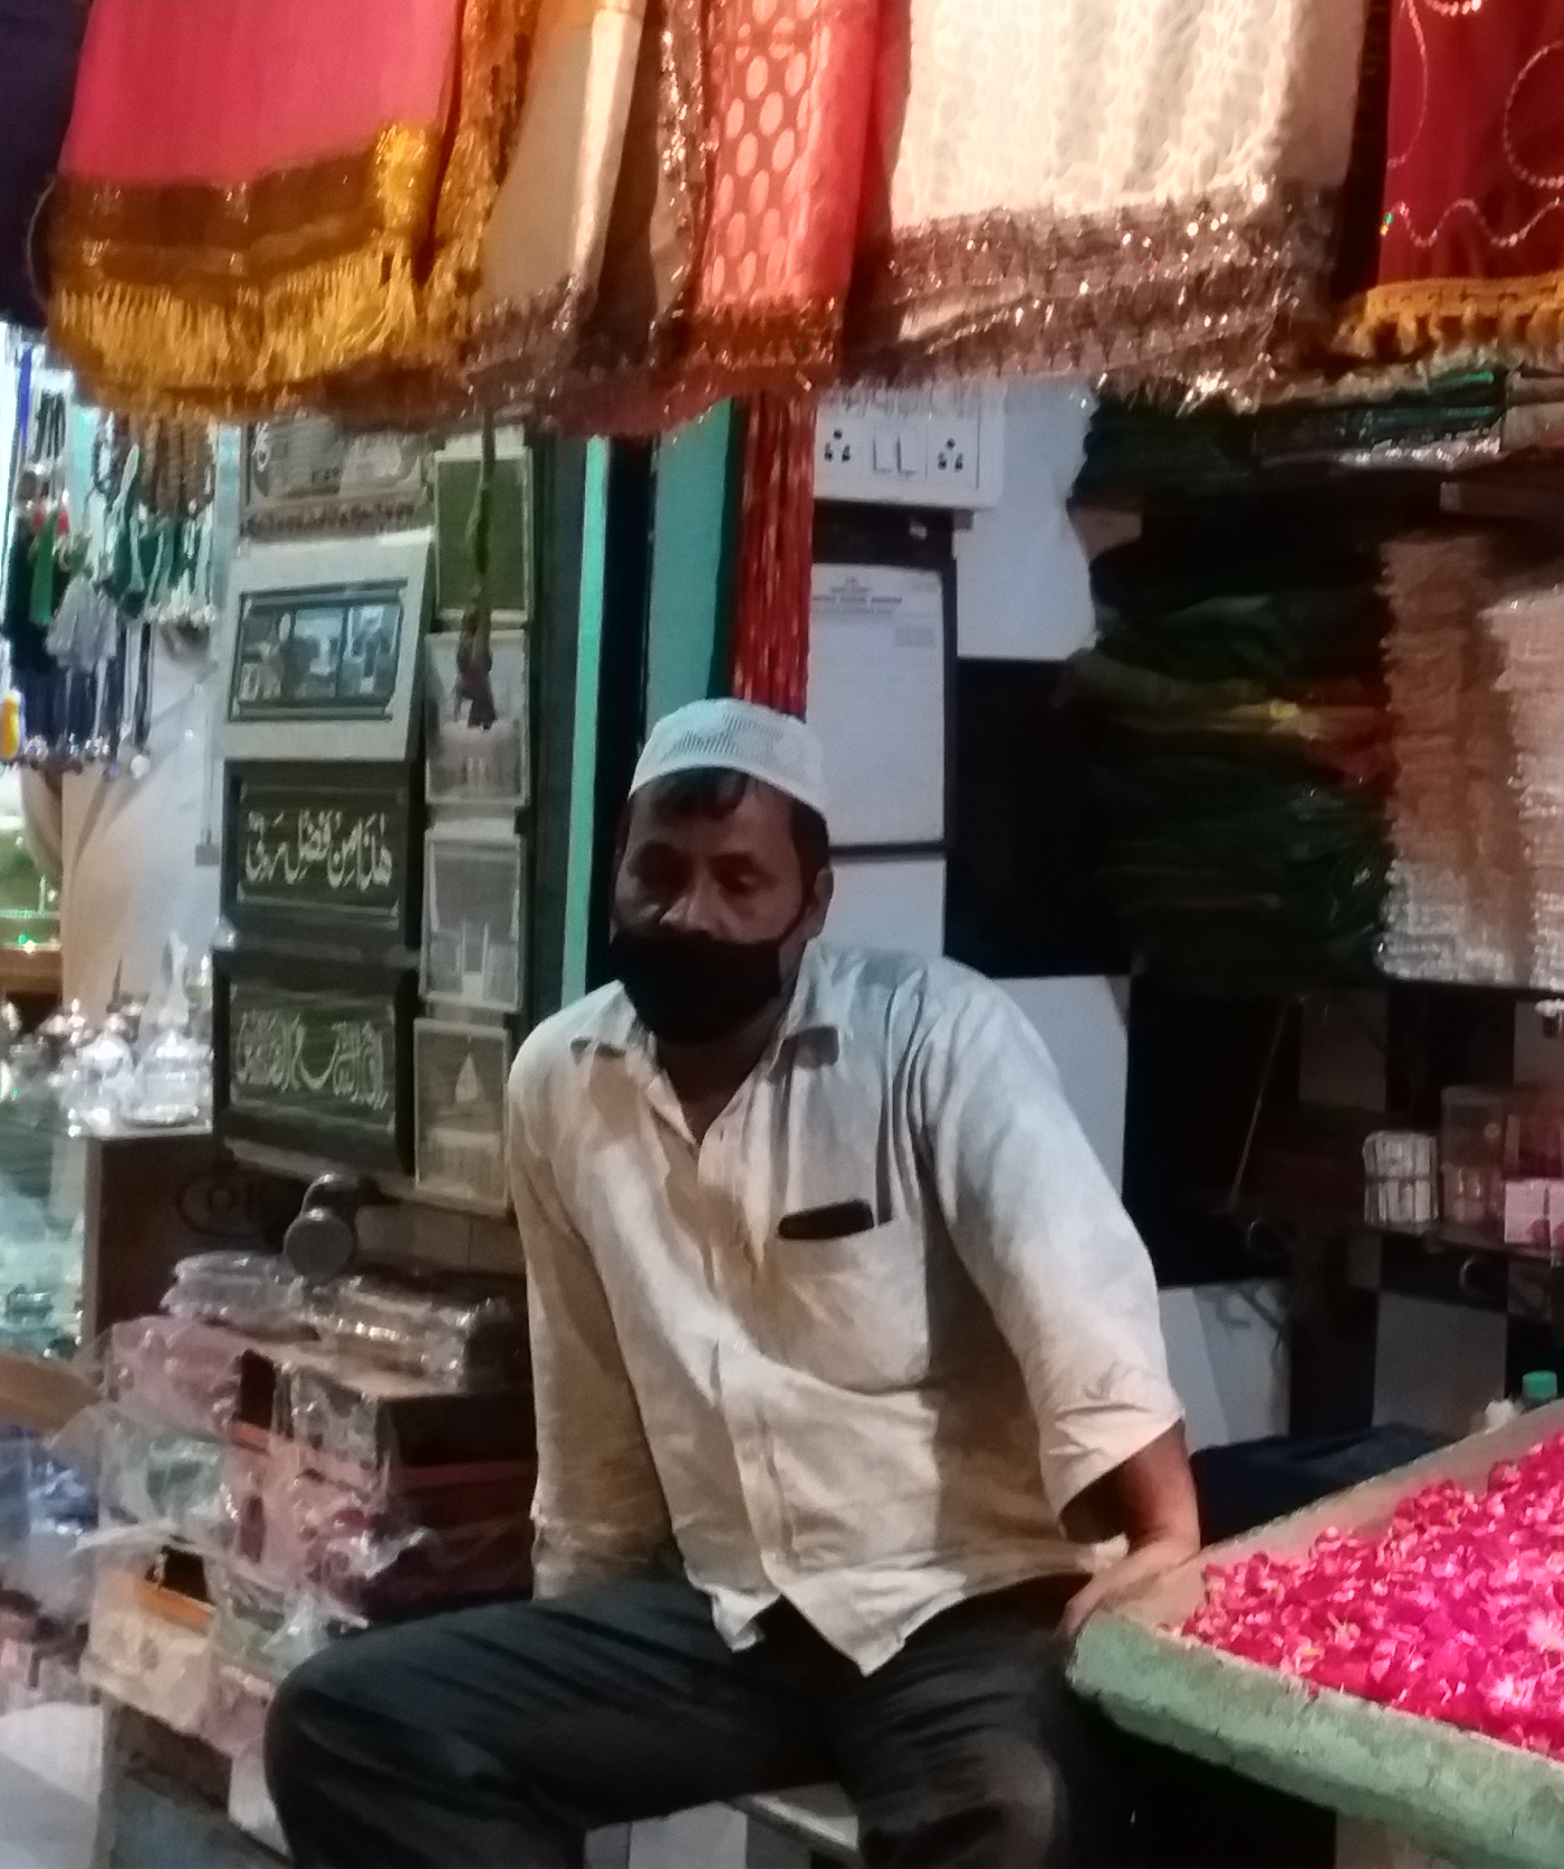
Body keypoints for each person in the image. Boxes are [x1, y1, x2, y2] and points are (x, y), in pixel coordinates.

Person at [267, 698, 1194, 1868]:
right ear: (616, 870)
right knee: (348, 1724)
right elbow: (588, 1396)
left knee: (1015, 1817)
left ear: (813, 903)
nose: (689, 913)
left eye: (738, 881)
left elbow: (1072, 1282)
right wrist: (577, 1635)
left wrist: (1165, 1531)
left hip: (960, 1610)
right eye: (657, 872)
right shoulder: (561, 1082)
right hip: (730, 1622)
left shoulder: (935, 1040)